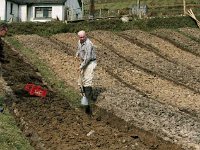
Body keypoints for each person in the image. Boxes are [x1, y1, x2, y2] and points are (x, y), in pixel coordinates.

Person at [76, 30, 97, 115]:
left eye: (83, 37)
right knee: (81, 81)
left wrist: (81, 66)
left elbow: (87, 58)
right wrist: (77, 54)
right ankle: (87, 98)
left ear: (86, 36)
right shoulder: (79, 41)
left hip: (90, 62)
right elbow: (79, 49)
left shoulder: (89, 44)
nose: (81, 38)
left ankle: (88, 103)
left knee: (87, 81)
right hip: (83, 62)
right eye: (80, 37)